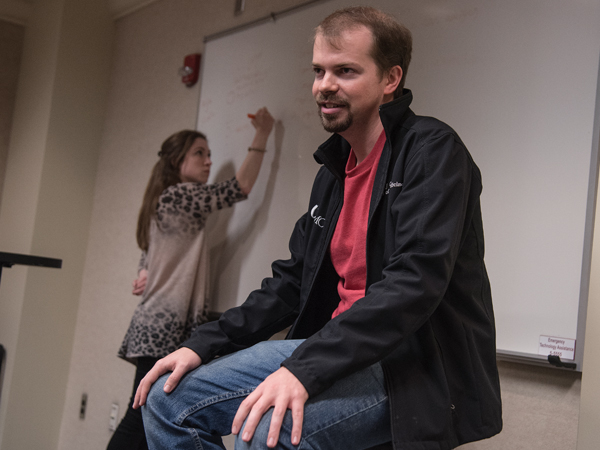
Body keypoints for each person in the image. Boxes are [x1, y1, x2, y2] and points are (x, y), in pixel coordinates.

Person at [134, 6, 502, 450]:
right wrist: (203, 344)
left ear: (390, 80)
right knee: (166, 401)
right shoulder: (332, 172)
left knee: (267, 433)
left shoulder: (432, 151)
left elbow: (415, 283)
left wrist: (302, 370)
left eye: (345, 71)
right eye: (319, 71)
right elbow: (290, 281)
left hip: (406, 362)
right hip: (333, 347)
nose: (325, 85)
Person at [106, 107, 275, 450]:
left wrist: (145, 269)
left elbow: (151, 249)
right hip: (163, 325)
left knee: (148, 417)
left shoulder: (165, 199)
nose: (209, 161)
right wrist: (263, 135)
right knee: (142, 417)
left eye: (210, 154)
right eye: (200, 153)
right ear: (176, 161)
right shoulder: (180, 195)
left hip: (156, 322)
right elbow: (239, 188)